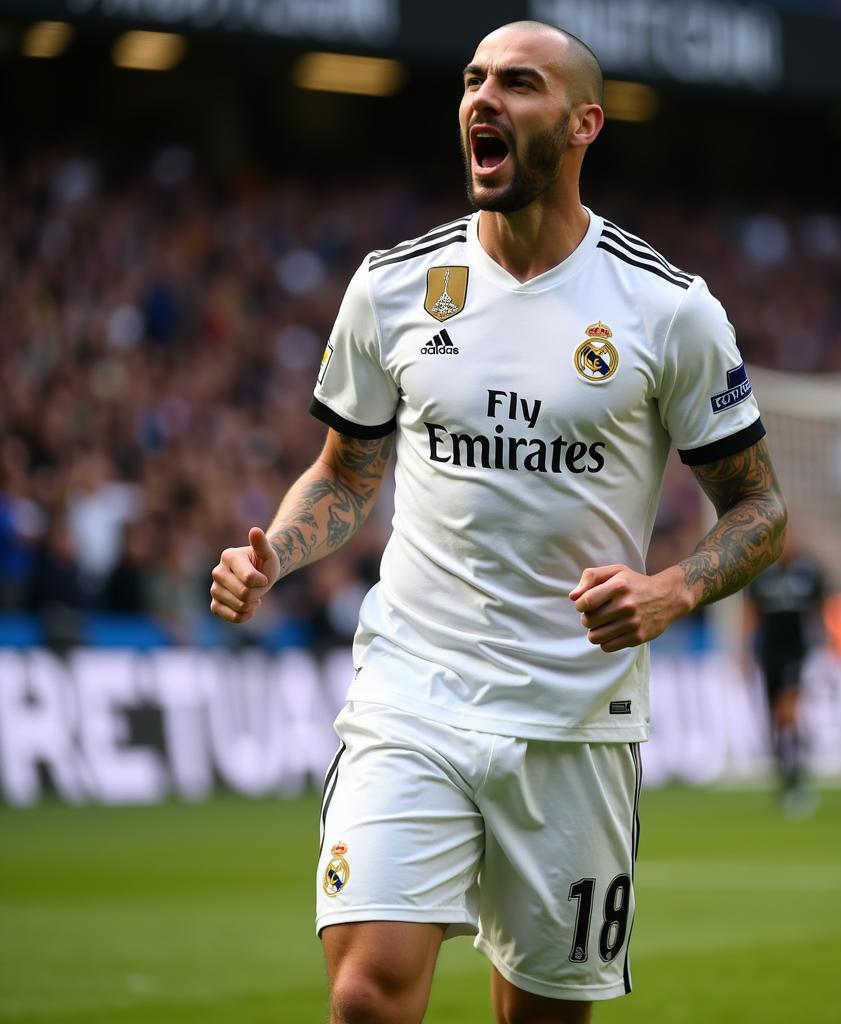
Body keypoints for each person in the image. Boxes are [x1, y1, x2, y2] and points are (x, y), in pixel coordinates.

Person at [210, 20, 786, 1024]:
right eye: (473, 79)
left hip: (574, 724)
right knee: (366, 998)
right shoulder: (392, 287)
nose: (483, 98)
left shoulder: (667, 310)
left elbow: (761, 505)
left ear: (581, 125)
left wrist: (672, 587)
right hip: (412, 696)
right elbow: (344, 475)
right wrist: (276, 553)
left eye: (518, 84)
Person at [745, 531, 827, 815]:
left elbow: (819, 609)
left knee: (787, 712)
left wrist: (824, 645)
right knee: (775, 721)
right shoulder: (760, 575)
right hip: (768, 655)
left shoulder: (808, 572)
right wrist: (744, 653)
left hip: (796, 652)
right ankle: (786, 777)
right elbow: (751, 614)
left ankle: (797, 776)